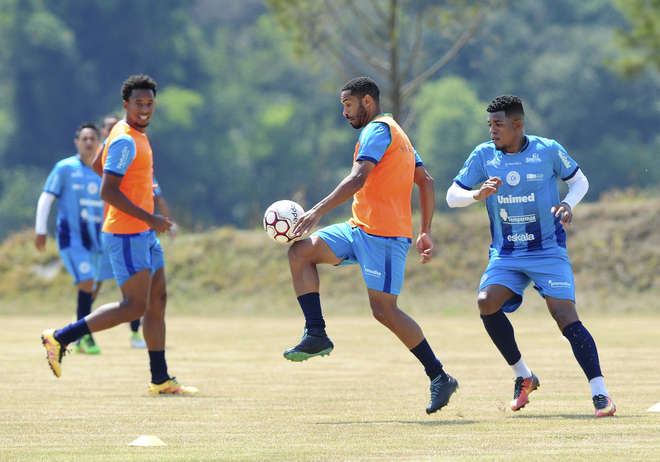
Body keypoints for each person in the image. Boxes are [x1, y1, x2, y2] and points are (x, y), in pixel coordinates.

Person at [285, 77, 458, 415]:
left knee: (384, 311)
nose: (344, 113)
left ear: (367, 101)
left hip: (386, 236)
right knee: (300, 251)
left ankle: (439, 376)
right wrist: (425, 229)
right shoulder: (397, 133)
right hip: (359, 228)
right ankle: (316, 332)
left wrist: (316, 211)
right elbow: (426, 181)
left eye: (348, 105)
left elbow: (358, 178)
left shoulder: (378, 130)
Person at [445, 95, 615, 417]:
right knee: (486, 302)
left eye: (499, 125)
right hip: (506, 255)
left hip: (547, 251)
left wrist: (568, 204)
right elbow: (452, 196)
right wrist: (475, 194)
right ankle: (524, 376)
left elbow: (579, 182)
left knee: (565, 317)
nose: (493, 131)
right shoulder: (484, 155)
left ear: (517, 125)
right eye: (490, 125)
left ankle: (600, 393)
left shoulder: (547, 150)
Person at [41, 74, 197, 395]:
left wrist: (148, 217)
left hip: (142, 233)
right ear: (125, 104)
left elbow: (99, 165)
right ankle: (61, 338)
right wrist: (151, 217)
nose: (145, 109)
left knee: (158, 301)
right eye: (138, 103)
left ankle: (160, 378)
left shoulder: (128, 134)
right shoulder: (126, 138)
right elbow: (107, 191)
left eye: (150, 103)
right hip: (127, 234)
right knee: (133, 306)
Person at [35, 123, 113, 355]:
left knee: (94, 286)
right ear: (77, 142)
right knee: (88, 281)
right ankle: (84, 337)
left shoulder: (104, 171)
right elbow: (46, 197)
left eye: (92, 138)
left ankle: (76, 329)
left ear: (98, 141)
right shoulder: (65, 168)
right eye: (84, 138)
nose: (88, 142)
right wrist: (40, 230)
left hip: (99, 240)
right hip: (73, 239)